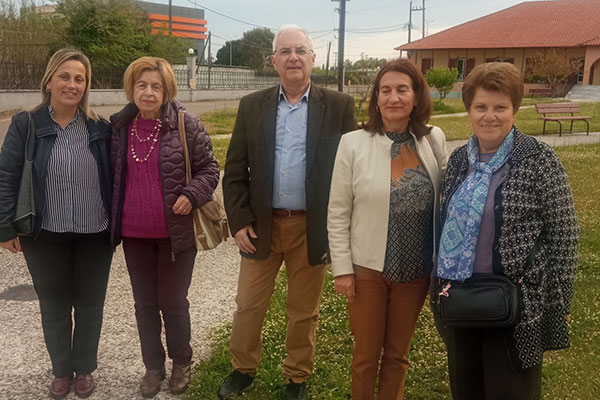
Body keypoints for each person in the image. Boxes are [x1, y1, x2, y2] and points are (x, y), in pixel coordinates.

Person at [219, 24, 357, 400]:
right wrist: (239, 222)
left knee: (303, 311)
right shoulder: (252, 106)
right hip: (261, 227)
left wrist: (339, 229)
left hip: (311, 227)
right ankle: (243, 369)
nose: (293, 57)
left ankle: (297, 376)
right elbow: (234, 171)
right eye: (285, 51)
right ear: (274, 61)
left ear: (313, 58)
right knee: (248, 305)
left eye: (300, 51)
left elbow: (349, 172)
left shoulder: (339, 106)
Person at [433, 62, 580, 400]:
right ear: (469, 111)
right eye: (480, 107)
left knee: (511, 392)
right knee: (466, 389)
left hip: (518, 306)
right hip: (461, 300)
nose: (490, 116)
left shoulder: (538, 159)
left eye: (500, 107)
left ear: (515, 110)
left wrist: (561, 299)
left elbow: (564, 234)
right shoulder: (458, 161)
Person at [327, 59, 448, 399]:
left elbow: (449, 192)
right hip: (367, 270)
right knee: (366, 355)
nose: (394, 97)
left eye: (402, 90)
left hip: (416, 269)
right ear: (377, 98)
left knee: (397, 355)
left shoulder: (433, 138)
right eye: (386, 90)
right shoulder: (353, 143)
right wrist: (342, 269)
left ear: (416, 96)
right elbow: (337, 211)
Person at [0, 49, 112, 399]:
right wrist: (4, 227)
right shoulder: (27, 124)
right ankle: (62, 371)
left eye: (80, 79)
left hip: (95, 232)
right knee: (54, 305)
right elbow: (7, 176)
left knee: (90, 306)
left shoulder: (100, 127)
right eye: (64, 76)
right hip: (44, 233)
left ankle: (85, 368)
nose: (72, 84)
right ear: (49, 81)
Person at [109, 56, 219, 398]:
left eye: (156, 86)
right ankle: (153, 367)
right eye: (141, 85)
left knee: (172, 301)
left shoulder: (186, 124)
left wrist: (191, 193)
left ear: (167, 90)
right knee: (144, 303)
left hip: (175, 234)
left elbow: (210, 169)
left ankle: (181, 361)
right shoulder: (119, 127)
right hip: (134, 234)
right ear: (131, 88)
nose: (148, 92)